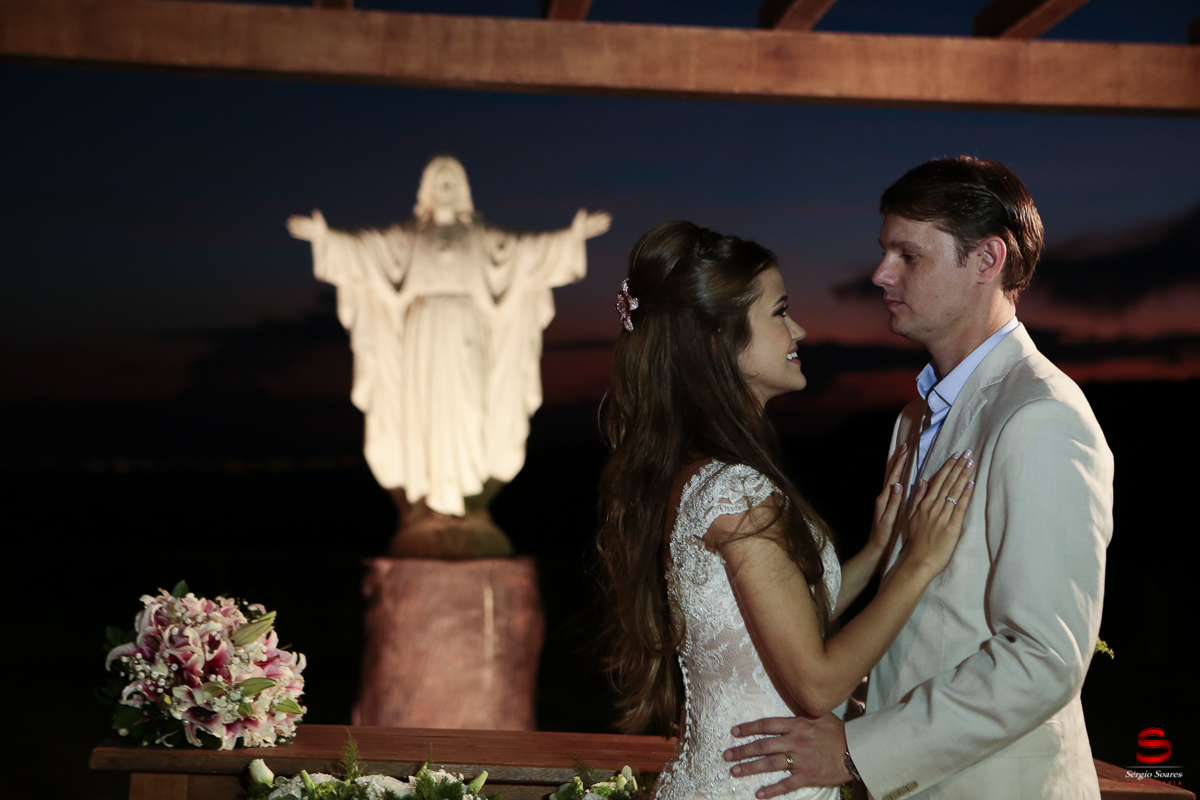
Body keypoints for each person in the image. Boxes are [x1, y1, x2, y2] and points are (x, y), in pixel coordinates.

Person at [725, 157, 1114, 800]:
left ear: (987, 260)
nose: (881, 274)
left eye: (907, 255)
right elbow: (927, 628)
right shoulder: (913, 418)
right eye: (886, 252)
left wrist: (858, 751)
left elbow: (1046, 658)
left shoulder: (1041, 416)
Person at [596, 221, 977, 800]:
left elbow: (776, 625)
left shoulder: (702, 474)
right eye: (779, 312)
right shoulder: (735, 492)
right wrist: (919, 562)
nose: (798, 329)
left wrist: (878, 552)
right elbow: (816, 683)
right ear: (718, 342)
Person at [288, 155, 610, 557]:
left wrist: (570, 238)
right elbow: (366, 251)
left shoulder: (480, 236)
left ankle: (465, 501)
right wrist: (326, 238)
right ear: (425, 189)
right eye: (438, 180)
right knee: (424, 412)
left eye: (451, 181)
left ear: (463, 189)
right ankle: (428, 504)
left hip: (467, 335)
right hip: (422, 337)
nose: (445, 187)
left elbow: (524, 253)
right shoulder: (408, 236)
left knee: (470, 411)